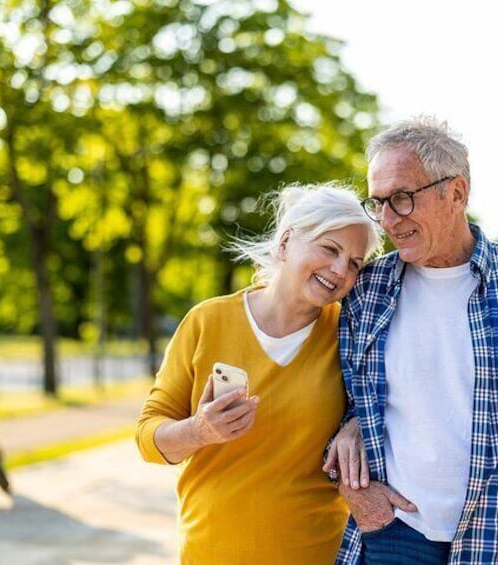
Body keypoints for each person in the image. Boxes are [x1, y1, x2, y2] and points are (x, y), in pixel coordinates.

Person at [325, 116, 498, 564]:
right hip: (393, 531)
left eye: (401, 199)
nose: (387, 220)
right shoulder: (365, 288)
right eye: (378, 202)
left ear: (456, 192)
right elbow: (333, 392)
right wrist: (351, 463)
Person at [135, 182, 383, 564]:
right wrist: (198, 431)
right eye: (330, 249)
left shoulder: (351, 336)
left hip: (315, 554)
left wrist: (358, 424)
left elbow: (396, 404)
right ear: (285, 243)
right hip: (211, 551)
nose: (339, 270)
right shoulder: (207, 321)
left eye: (354, 263)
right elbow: (148, 438)